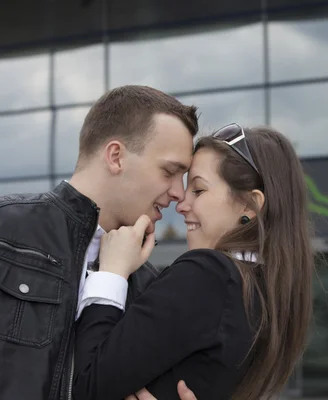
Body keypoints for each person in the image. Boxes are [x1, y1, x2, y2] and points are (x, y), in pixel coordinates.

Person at [72, 123, 315, 399]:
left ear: (250, 205)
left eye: (198, 190)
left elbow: (84, 385)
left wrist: (112, 273)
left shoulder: (209, 276)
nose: (181, 204)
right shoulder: (263, 291)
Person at [0, 85, 201, 400]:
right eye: (170, 172)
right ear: (116, 157)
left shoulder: (151, 288)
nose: (179, 193)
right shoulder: (6, 232)